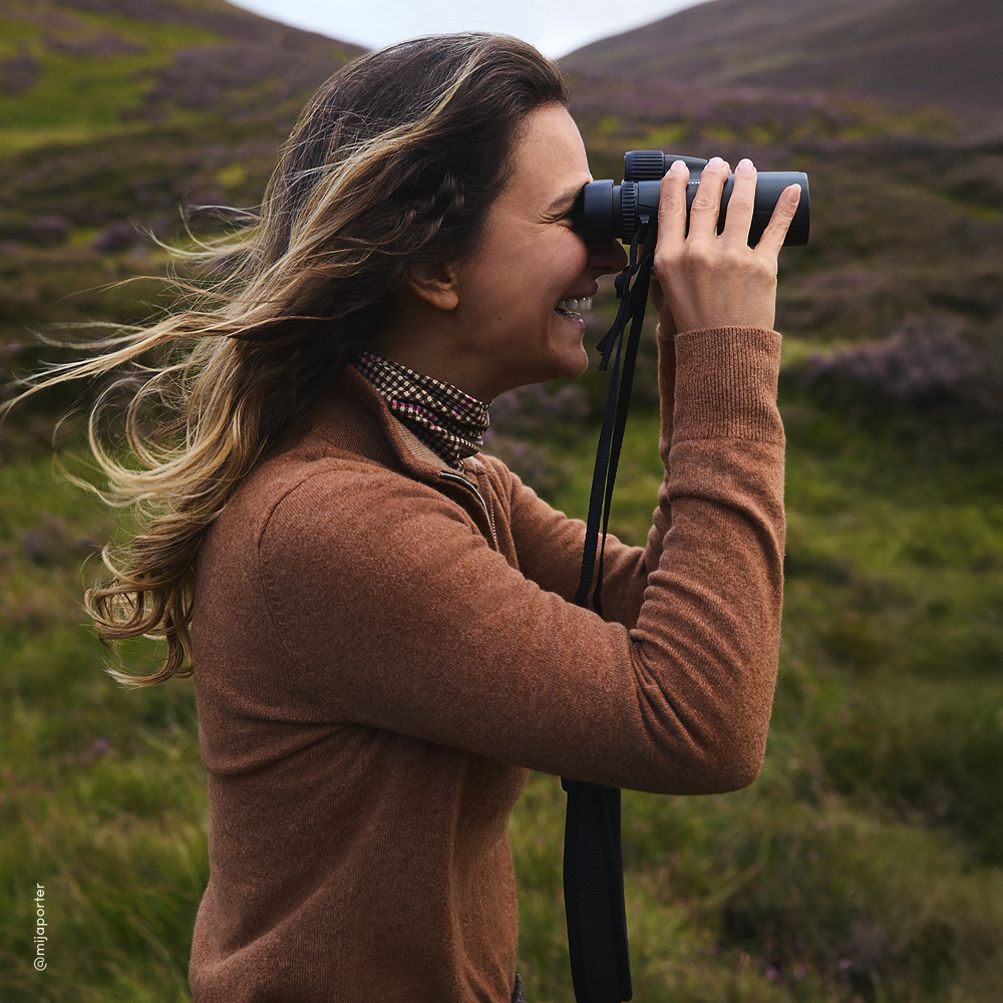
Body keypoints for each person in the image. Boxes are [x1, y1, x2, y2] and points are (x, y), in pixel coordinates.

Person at [0, 30, 799, 1003]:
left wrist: (692, 341)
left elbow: (681, 615)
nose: (607, 250)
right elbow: (700, 719)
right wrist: (726, 356)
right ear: (433, 263)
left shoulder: (445, 480)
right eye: (571, 214)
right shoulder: (334, 523)